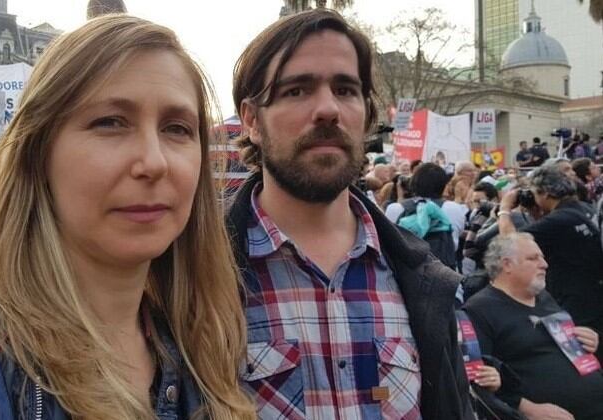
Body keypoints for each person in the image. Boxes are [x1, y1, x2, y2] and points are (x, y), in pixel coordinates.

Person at [0, 15, 255, 419]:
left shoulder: (205, 344)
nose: (154, 162)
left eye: (177, 128)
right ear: (37, 155)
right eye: (110, 123)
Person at [228, 9, 473, 419]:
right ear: (252, 119)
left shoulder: (423, 279)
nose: (328, 109)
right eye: (296, 90)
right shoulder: (193, 274)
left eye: (344, 90)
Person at [463, 233, 603, 420]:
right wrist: (524, 408)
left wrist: (590, 339)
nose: (544, 264)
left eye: (542, 257)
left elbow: (563, 344)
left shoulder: (544, 297)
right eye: (533, 258)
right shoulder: (479, 310)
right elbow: (478, 380)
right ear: (507, 265)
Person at [498, 167, 603, 358]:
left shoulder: (559, 220)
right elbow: (553, 237)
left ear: (544, 193)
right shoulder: (584, 209)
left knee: (579, 356)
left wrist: (504, 210)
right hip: (592, 295)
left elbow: (512, 244)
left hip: (574, 301)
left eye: (534, 193)